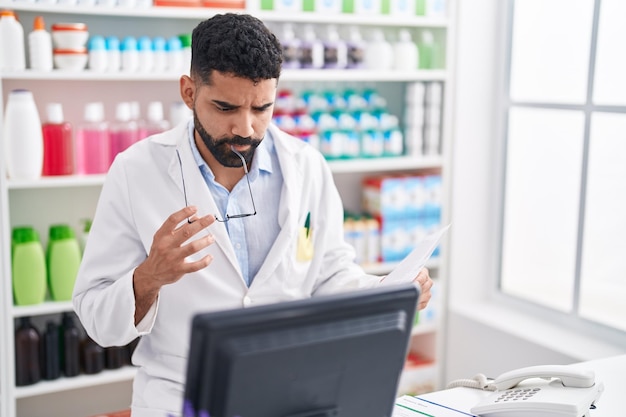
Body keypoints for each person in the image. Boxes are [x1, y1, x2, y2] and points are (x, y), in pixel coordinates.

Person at [72, 13, 433, 417]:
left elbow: (329, 274)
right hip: (180, 398)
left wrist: (384, 290)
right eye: (225, 107)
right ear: (189, 92)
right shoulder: (136, 170)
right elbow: (96, 316)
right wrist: (149, 277)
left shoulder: (307, 166)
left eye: (262, 108)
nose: (245, 128)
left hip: (289, 397)